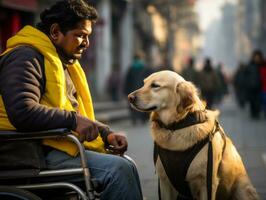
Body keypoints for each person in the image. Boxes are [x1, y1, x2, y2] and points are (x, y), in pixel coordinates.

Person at [0, 1, 143, 200]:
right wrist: (73, 121)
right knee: (118, 171)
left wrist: (105, 133)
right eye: (80, 35)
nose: (86, 43)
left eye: (88, 36)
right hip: (29, 152)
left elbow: (69, 111)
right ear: (56, 32)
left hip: (53, 145)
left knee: (127, 164)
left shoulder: (60, 62)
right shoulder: (25, 57)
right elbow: (22, 111)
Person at [124, 52, 152, 124]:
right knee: (143, 103)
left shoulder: (131, 68)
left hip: (132, 90)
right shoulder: (145, 67)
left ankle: (134, 118)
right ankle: (143, 119)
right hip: (143, 89)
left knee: (132, 103)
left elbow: (127, 80)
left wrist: (125, 91)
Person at [245, 50, 263, 119]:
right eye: (256, 57)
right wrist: (247, 84)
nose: (257, 59)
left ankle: (257, 112)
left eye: (258, 57)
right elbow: (245, 76)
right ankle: (253, 113)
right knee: (252, 101)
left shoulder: (262, 66)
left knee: (258, 101)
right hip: (251, 87)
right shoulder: (250, 66)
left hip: (259, 87)